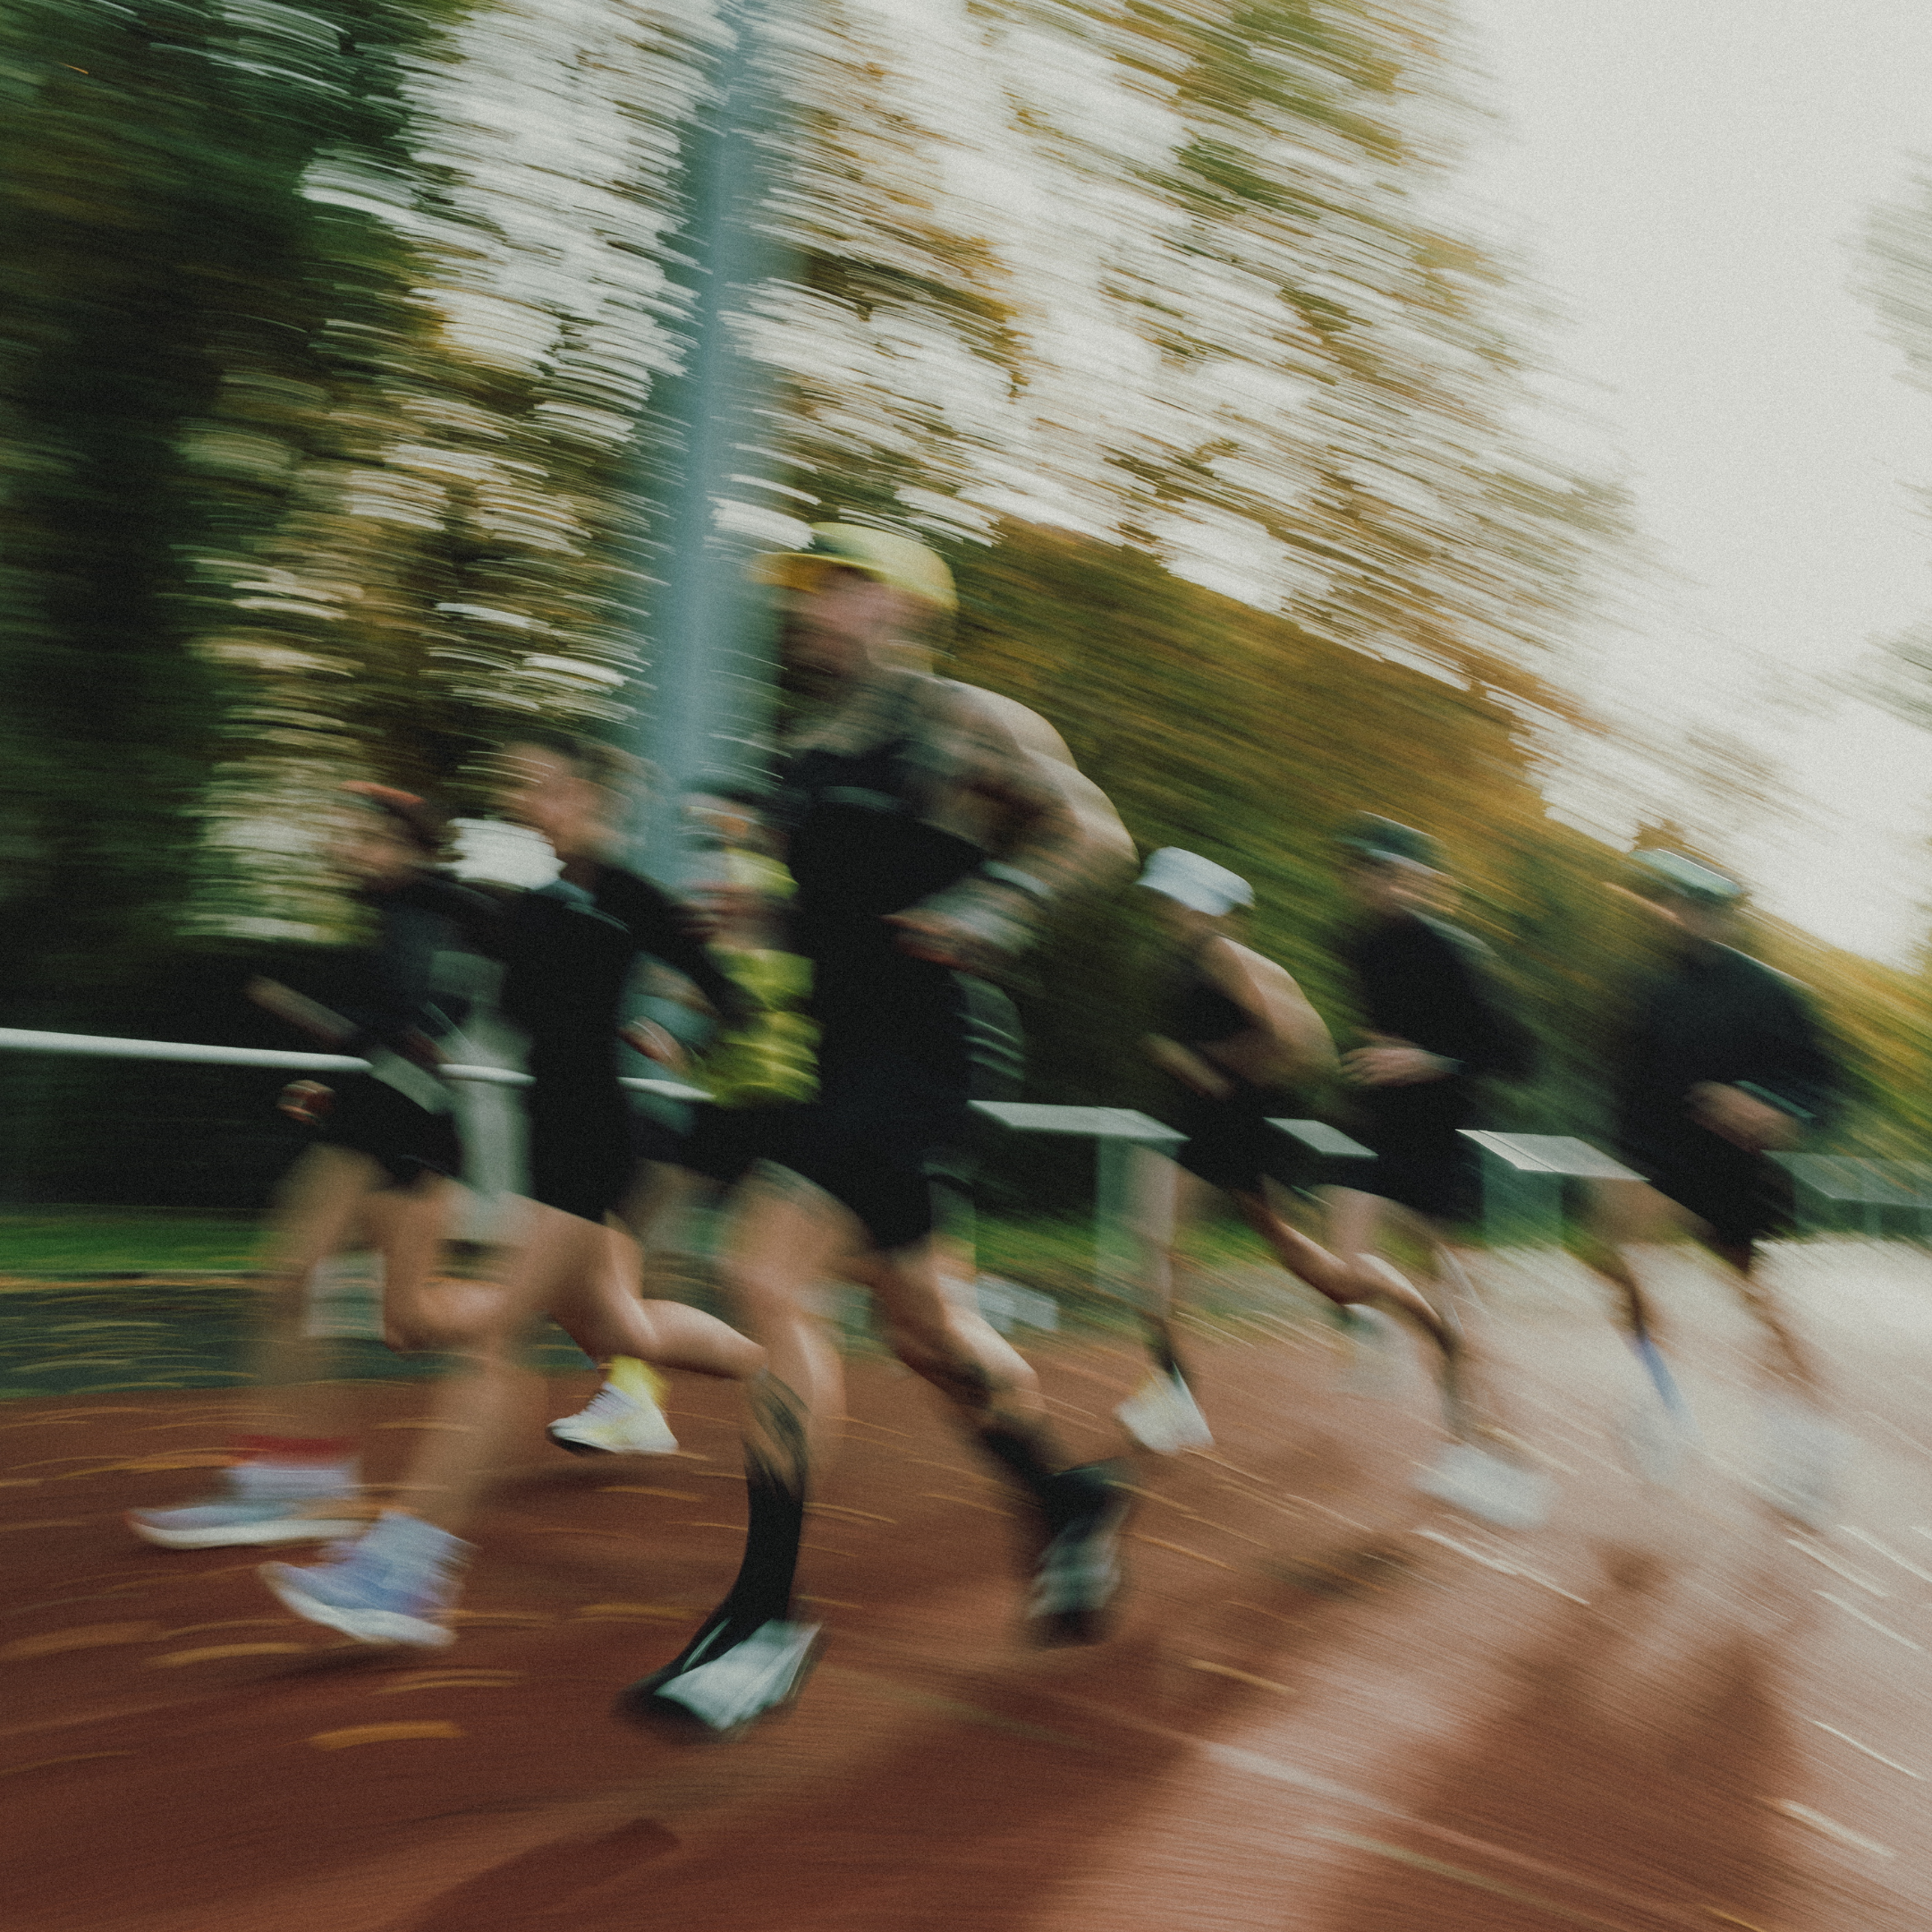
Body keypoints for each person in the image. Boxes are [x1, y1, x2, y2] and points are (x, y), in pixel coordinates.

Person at [616, 523, 1139, 1740]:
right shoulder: (793, 756)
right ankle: (1069, 1501)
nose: (805, 608)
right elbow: (792, 924)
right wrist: (729, 948)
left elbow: (1095, 833)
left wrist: (1000, 898)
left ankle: (763, 1621)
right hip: (840, 1055)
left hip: (928, 1044)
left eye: (834, 588)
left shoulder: (964, 724)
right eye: (801, 590)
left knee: (756, 1268)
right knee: (925, 1331)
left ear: (900, 609)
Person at [254, 737, 769, 1644]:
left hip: (594, 1148)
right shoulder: (528, 908)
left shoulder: (630, 899)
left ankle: (404, 1575)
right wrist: (358, 1080)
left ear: (599, 798)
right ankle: (775, 1371)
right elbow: (452, 1008)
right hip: (545, 1147)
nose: (530, 799)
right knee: (626, 1331)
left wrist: (680, 1039)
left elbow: (735, 998)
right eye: (522, 785)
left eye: (547, 786)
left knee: (492, 1348)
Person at [128, 784, 490, 1550]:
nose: (346, 844)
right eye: (344, 830)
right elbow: (394, 1035)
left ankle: (541, 1298)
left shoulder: (431, 905)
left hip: (408, 1134)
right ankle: (299, 1480)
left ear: (409, 844)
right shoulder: (391, 917)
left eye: (364, 834)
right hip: (382, 1124)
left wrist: (377, 1045)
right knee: (328, 1293)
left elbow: (428, 1023)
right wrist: (337, 1076)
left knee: (359, 1306)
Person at [1118, 848, 1459, 1454]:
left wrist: (1222, 1068)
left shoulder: (1228, 956)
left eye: (1174, 898)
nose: (1164, 908)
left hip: (1240, 1125)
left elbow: (1305, 1043)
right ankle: (1174, 1390)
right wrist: (1175, 1058)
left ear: (1206, 906)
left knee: (1323, 1272)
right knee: (1153, 1245)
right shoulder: (1174, 960)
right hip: (1187, 1124)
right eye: (1162, 898)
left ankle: (1419, 1315)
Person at [1579, 851, 1843, 1520]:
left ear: (1729, 918)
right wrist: (1623, 1160)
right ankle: (1662, 1400)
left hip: (1737, 1172)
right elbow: (1624, 1087)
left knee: (1755, 1300)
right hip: (1660, 1163)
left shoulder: (1774, 994)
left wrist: (1773, 1111)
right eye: (1678, 905)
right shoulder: (1648, 991)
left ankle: (1809, 1447)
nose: (1688, 918)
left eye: (1704, 908)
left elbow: (1825, 1087)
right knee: (1608, 1249)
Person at [1328, 815, 1551, 1530]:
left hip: (1443, 1144)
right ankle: (1378, 1331)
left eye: (1386, 869)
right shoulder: (1359, 945)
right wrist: (1371, 1056)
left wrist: (1428, 1061)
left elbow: (1519, 1057)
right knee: (1344, 1267)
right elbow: (1381, 1028)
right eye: (1361, 868)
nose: (1371, 881)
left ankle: (1502, 1458)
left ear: (1423, 880)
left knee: (1455, 1308)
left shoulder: (1459, 954)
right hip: (1374, 1133)